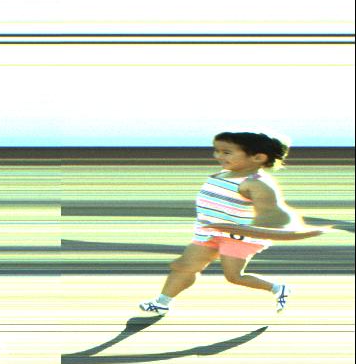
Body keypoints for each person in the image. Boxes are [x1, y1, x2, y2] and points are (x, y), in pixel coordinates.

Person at [138, 130, 324, 316]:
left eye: (226, 152)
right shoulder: (223, 174)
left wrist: (278, 228)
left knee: (234, 276)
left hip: (238, 237)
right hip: (209, 232)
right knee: (184, 266)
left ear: (258, 158)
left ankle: (277, 288)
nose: (218, 156)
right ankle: (162, 303)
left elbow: (272, 212)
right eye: (217, 151)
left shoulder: (256, 183)